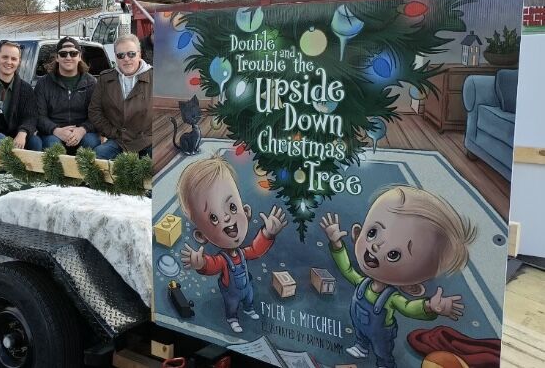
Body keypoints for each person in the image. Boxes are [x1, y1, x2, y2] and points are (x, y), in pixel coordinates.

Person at [319, 185, 476, 368]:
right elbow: (347, 270)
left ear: (412, 287)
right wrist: (337, 245)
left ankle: (385, 363)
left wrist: (429, 307)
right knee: (361, 335)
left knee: (382, 350)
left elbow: (408, 307)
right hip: (361, 325)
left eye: (394, 254)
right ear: (357, 233)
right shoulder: (363, 283)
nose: (376, 247)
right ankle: (361, 346)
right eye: (372, 233)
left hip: (381, 333)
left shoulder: (391, 298)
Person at [179, 155, 288, 333]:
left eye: (232, 207)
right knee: (232, 304)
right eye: (213, 218)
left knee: (249, 296)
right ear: (201, 235)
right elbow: (212, 265)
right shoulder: (223, 259)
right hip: (231, 292)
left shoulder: (242, 253)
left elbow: (255, 250)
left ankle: (249, 308)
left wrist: (267, 233)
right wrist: (200, 264)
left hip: (246, 287)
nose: (227, 217)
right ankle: (232, 318)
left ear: (246, 211)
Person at [88, 34, 153, 160]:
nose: (126, 59)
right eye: (121, 55)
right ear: (116, 58)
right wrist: (112, 133)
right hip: (119, 140)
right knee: (95, 159)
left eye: (131, 54)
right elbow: (94, 111)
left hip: (148, 141)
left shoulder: (155, 78)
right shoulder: (105, 79)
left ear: (139, 54)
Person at [34, 37, 101, 152]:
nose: (68, 57)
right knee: (53, 145)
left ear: (79, 57)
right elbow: (39, 116)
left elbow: (97, 114)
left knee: (90, 143)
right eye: (63, 54)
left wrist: (82, 130)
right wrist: (56, 130)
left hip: (84, 132)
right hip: (52, 133)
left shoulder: (91, 83)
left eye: (73, 53)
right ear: (57, 58)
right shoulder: (43, 83)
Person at [0, 41, 41, 151]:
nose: (9, 62)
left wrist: (23, 132)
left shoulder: (26, 89)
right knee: (0, 139)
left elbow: (31, 117)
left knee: (35, 142)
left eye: (14, 59)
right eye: (5, 57)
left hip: (14, 134)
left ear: (19, 62)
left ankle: (26, 168)